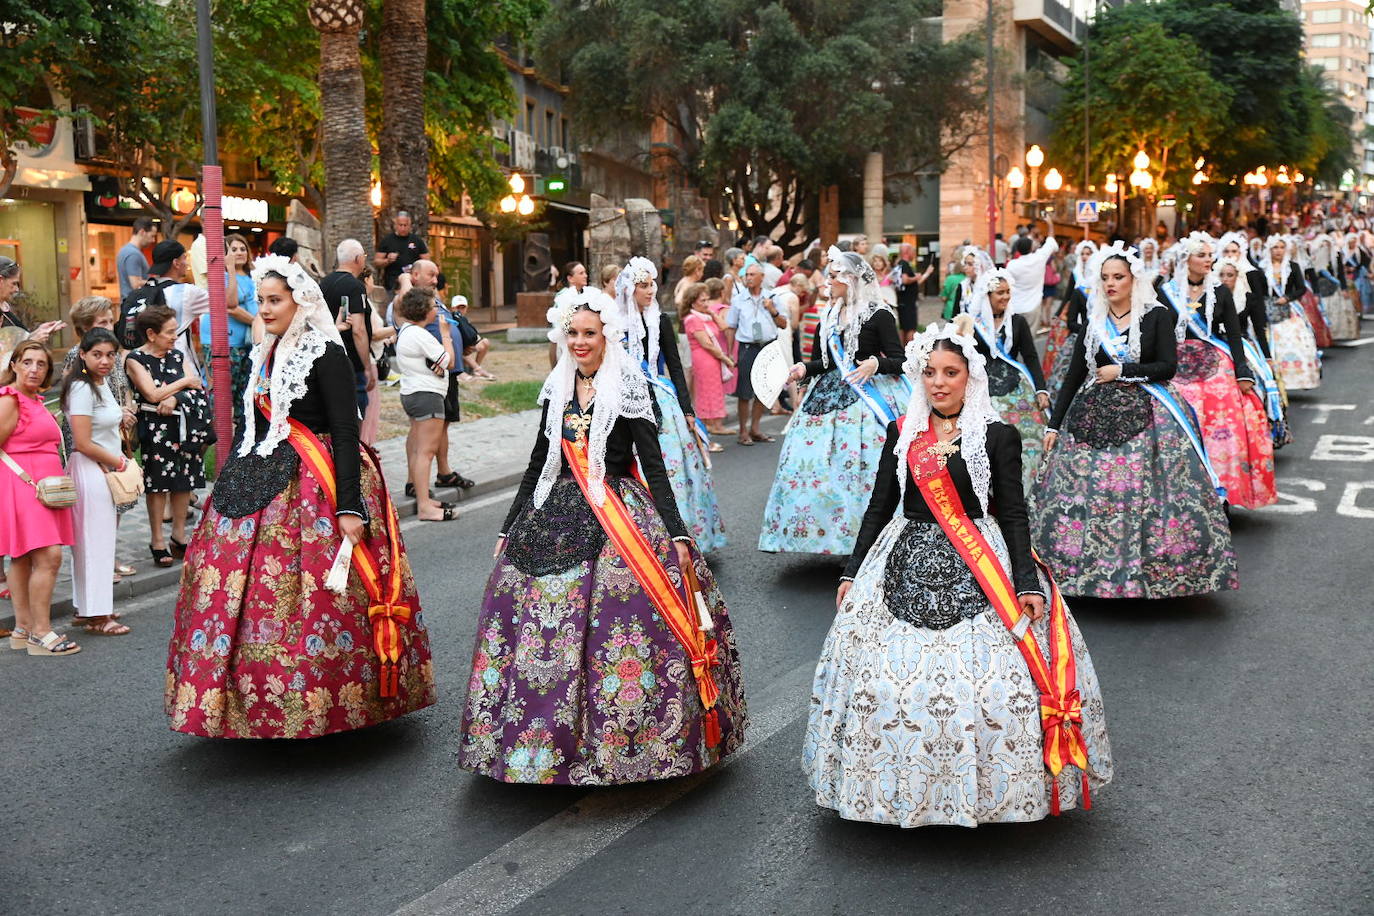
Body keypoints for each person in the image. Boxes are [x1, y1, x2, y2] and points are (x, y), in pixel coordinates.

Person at [803, 316, 1111, 827]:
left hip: (980, 557)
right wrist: (851, 572)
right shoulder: (902, 432)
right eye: (930, 373)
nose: (939, 383)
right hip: (902, 558)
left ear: (970, 376)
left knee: (993, 688)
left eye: (950, 372)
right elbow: (879, 506)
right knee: (883, 685)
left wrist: (1026, 582)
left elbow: (1013, 512)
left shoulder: (998, 435)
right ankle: (894, 791)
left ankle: (989, 796)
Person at [458, 290, 745, 783]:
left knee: (616, 625)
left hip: (618, 514)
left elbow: (654, 467)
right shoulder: (558, 388)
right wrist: (508, 525)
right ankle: (535, 747)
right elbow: (539, 463)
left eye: (589, 333)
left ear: (607, 335)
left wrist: (677, 534)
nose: (580, 342)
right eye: (572, 333)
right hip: (553, 511)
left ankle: (621, 749)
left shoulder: (630, 387)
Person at [165, 255, 435, 738]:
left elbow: (346, 430)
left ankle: (325, 703)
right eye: (262, 301)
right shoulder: (264, 350)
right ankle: (245, 706)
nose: (265, 309)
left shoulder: (326, 353)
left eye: (275, 301)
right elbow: (253, 425)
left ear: (300, 301)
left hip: (315, 481)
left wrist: (349, 505)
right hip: (259, 474)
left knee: (316, 597)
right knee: (233, 587)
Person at [1034, 242, 1237, 599]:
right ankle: (1086, 572)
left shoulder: (1155, 315)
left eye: (1118, 277)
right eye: (1105, 278)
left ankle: (1149, 574)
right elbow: (1073, 376)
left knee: (1146, 492)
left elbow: (1167, 367)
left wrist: (1123, 371)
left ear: (1133, 279)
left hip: (1151, 410)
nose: (1111, 284)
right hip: (1094, 414)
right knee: (1089, 492)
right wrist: (1053, 425)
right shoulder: (1095, 321)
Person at [759, 248, 908, 555]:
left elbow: (901, 360)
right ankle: (824, 537)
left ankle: (864, 542)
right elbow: (824, 362)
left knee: (862, 471)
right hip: (826, 397)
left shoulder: (879, 315)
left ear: (851, 279)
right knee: (812, 467)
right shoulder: (827, 316)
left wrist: (875, 364)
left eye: (833, 276)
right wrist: (804, 369)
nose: (827, 282)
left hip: (868, 398)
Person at [1154, 234, 1275, 510]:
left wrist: (1242, 371)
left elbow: (1233, 334)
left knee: (1224, 427)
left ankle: (1223, 494)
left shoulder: (1220, 291)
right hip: (1176, 365)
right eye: (1202, 255)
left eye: (1210, 255)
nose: (1209, 259)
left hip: (1215, 366)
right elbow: (1157, 333)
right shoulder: (1165, 292)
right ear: (1186, 260)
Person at [619, 257, 727, 551]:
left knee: (673, 468)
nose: (650, 290)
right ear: (629, 289)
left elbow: (675, 366)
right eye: (643, 286)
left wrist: (687, 408)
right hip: (625, 401)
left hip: (660, 399)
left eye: (651, 284)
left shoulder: (661, 320)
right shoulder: (614, 323)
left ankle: (683, 537)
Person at [0, 341, 79, 656]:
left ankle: (22, 629)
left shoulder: (36, 400)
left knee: (22, 557)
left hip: (44, 490)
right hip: (24, 486)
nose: (34, 369)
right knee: (49, 557)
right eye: (27, 362)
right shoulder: (10, 399)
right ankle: (41, 633)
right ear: (14, 365)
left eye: (41, 364)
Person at [125, 304, 209, 568]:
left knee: (183, 481)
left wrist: (175, 397)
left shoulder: (177, 355)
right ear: (151, 334)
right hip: (155, 428)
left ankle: (179, 535)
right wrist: (183, 384)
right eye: (169, 332)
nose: (175, 337)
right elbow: (151, 394)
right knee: (158, 483)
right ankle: (157, 540)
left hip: (182, 426)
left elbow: (197, 387)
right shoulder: (135, 359)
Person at [61, 328, 133, 636]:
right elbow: (81, 442)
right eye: (97, 355)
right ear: (83, 355)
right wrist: (119, 462)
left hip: (101, 469)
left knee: (97, 542)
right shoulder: (81, 387)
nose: (104, 361)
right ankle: (97, 616)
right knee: (94, 543)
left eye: (110, 355)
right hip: (91, 470)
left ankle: (89, 608)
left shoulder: (99, 383)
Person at [964, 269, 1050, 490]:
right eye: (999, 293)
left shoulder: (1017, 322)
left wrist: (1041, 389)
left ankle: (1027, 484)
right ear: (987, 296)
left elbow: (1030, 357)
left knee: (1029, 434)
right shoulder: (972, 324)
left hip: (1015, 386)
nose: (1005, 297)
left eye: (1007, 292)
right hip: (982, 387)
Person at [399, 260, 475, 494]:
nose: (435, 280)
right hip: (430, 377)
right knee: (423, 433)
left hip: (446, 374)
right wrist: (404, 279)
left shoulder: (433, 298)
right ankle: (415, 483)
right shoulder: (412, 299)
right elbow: (403, 306)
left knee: (443, 424)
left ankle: (444, 472)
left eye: (436, 275)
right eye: (430, 275)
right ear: (415, 275)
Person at [395, 286, 458, 522]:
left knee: (417, 448)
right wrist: (446, 334)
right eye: (434, 306)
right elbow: (449, 361)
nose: (437, 310)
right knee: (426, 452)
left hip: (413, 392)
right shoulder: (419, 335)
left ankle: (424, 498)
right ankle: (424, 506)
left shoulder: (406, 331)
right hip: (427, 395)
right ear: (423, 310)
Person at [198, 234, 258, 434]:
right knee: (223, 392)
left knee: (242, 392)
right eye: (234, 249)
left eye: (243, 248)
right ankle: (212, 436)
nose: (239, 253)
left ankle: (238, 437)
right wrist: (257, 322)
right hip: (224, 342)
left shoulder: (252, 277)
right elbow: (230, 304)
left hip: (246, 343)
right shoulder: (220, 276)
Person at [136, 240, 210, 375]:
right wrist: (229, 266)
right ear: (176, 263)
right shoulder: (186, 292)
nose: (187, 263)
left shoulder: (144, 291)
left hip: (148, 366)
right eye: (184, 258)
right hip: (180, 368)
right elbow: (228, 302)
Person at [320, 238, 374, 416]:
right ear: (358, 259)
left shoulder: (324, 283)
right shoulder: (355, 286)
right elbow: (358, 330)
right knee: (354, 415)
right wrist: (367, 367)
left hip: (326, 357)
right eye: (364, 256)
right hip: (351, 361)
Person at [1262, 236, 1321, 391]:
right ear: (1269, 249)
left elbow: (1301, 288)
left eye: (1282, 247)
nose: (1278, 251)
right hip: (1268, 310)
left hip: (1290, 309)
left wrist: (1287, 298)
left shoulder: (1293, 267)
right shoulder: (1262, 267)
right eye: (1275, 247)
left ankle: (1298, 380)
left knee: (1298, 343)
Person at [1042, 239, 1097, 402]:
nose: (1085, 257)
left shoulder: (1100, 279)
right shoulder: (1076, 275)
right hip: (1078, 321)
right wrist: (1058, 314)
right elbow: (1068, 296)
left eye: (1089, 254)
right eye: (1083, 254)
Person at [681, 282, 735, 442]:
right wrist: (726, 358)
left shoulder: (706, 317)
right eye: (702, 300)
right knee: (706, 390)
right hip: (704, 358)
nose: (706, 304)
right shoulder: (693, 319)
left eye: (707, 300)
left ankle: (717, 424)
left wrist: (712, 314)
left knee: (715, 389)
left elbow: (724, 327)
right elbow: (706, 344)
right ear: (693, 302)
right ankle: (708, 423)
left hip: (712, 358)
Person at [0, 257, 64, 344]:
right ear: (1, 281)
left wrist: (38, 332)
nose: (16, 289)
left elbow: (18, 341)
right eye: (14, 283)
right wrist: (33, 341)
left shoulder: (5, 309)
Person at [374, 211, 429, 292]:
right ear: (395, 225)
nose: (403, 228)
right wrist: (387, 260)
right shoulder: (387, 240)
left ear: (410, 225)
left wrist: (415, 269)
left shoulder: (417, 240)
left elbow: (427, 262)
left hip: (413, 283)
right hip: (392, 283)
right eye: (400, 225)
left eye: (405, 225)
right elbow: (376, 262)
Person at [551, 261, 591, 368]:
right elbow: (558, 326)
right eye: (581, 273)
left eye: (585, 272)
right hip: (565, 344)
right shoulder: (563, 297)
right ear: (570, 278)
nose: (585, 276)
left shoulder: (584, 295)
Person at [892, 242, 930, 345]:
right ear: (907, 252)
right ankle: (909, 349)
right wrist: (915, 277)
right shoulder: (904, 264)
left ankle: (903, 349)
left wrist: (925, 274)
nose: (914, 254)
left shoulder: (900, 264)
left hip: (903, 301)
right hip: (907, 302)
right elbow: (904, 280)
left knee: (904, 327)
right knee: (910, 328)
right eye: (913, 251)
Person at [118, 216, 157, 299]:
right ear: (142, 232)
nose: (153, 240)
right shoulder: (133, 254)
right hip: (135, 303)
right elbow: (136, 284)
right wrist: (156, 282)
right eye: (152, 236)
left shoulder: (125, 250)